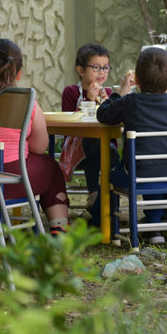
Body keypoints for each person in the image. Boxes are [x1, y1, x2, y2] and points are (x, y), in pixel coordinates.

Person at [95, 47, 167, 245]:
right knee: (155, 172)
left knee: (110, 176)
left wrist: (120, 92)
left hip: (137, 174)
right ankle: (154, 227)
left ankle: (98, 222)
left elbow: (103, 114)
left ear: (136, 80)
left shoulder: (130, 101)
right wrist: (165, 91)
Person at [0, 39, 70, 236]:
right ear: (19, 72)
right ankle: (58, 225)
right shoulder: (26, 100)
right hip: (13, 180)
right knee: (51, 166)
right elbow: (40, 146)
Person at [60, 43, 119, 228]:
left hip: (107, 147)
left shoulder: (108, 93)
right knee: (95, 144)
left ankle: (100, 208)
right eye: (96, 68)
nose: (102, 72)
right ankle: (93, 192)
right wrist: (89, 100)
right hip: (78, 148)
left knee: (107, 150)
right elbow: (70, 124)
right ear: (80, 70)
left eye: (105, 67)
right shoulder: (70, 92)